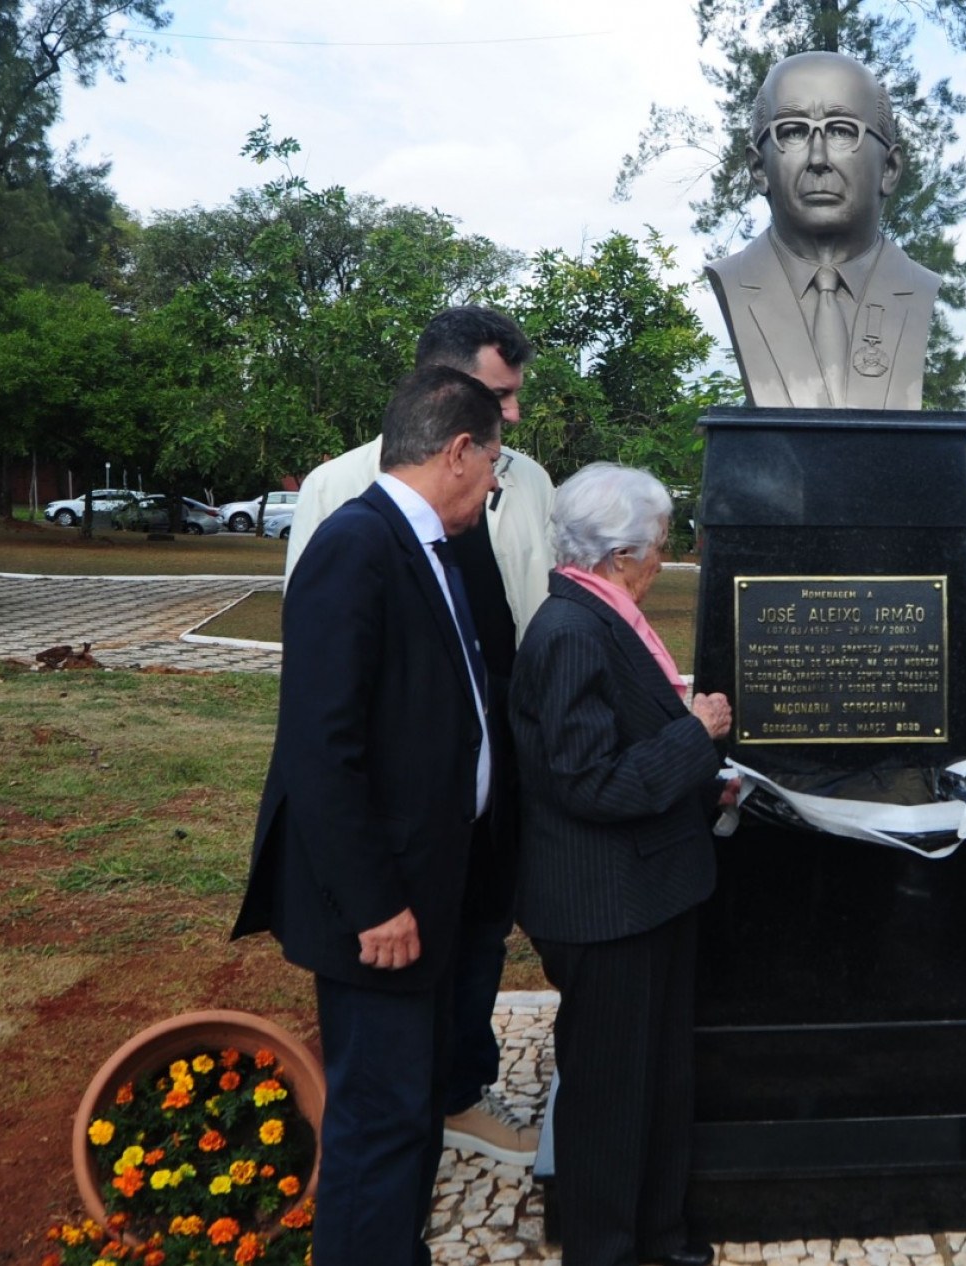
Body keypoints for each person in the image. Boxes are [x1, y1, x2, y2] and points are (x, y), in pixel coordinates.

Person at [232, 366, 510, 1266]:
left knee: (411, 1109)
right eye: (495, 454)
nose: (499, 478)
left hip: (430, 884)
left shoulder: (428, 544)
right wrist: (372, 903)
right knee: (380, 1121)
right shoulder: (358, 544)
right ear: (459, 450)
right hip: (378, 905)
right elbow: (320, 749)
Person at [283, 305, 552, 1165]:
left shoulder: (531, 481)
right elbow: (324, 678)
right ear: (446, 399)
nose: (510, 417)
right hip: (401, 768)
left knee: (479, 926)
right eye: (498, 398)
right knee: (397, 964)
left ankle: (456, 1088)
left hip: (494, 747)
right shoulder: (342, 492)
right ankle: (400, 1113)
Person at [510, 463, 732, 1266]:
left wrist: (703, 773)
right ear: (618, 554)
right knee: (609, 1097)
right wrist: (695, 733)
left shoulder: (602, 617)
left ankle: (658, 1239)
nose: (663, 561)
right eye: (659, 546)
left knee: (661, 1081)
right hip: (606, 907)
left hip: (651, 894)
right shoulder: (571, 631)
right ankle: (605, 1251)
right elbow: (589, 782)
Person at [704, 50, 940, 410]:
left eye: (842, 131)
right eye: (794, 132)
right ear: (758, 168)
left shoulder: (917, 288)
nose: (818, 159)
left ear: (890, 168)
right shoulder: (736, 281)